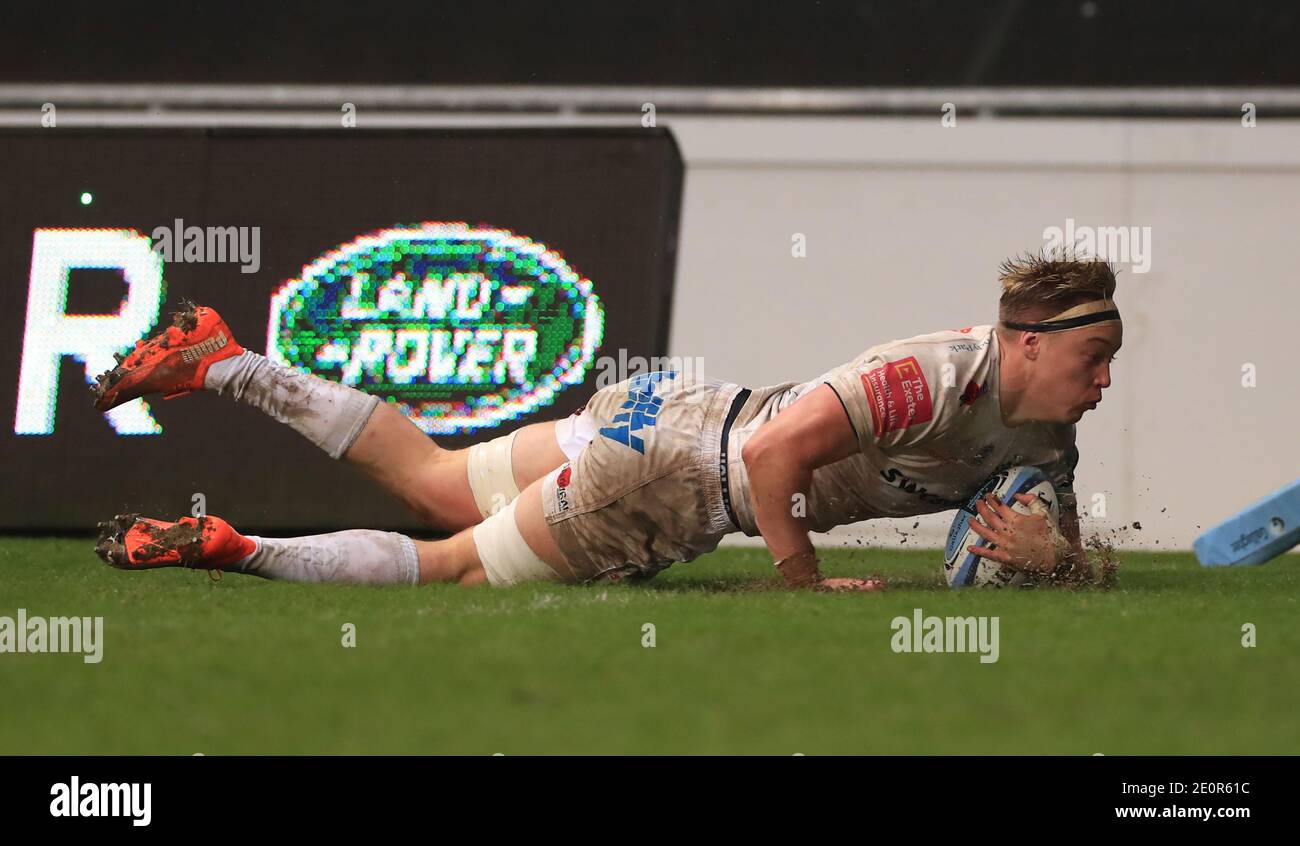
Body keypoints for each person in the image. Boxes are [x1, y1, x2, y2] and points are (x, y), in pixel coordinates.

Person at [92, 251, 1121, 592]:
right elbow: (775, 455)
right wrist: (801, 579)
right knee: (450, 562)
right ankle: (235, 547)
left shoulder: (1046, 441)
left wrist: (1057, 557)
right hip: (677, 475)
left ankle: (223, 364)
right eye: (1093, 356)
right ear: (1026, 342)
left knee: (436, 480)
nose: (1104, 378)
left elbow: (1052, 537)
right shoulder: (933, 377)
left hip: (671, 415)